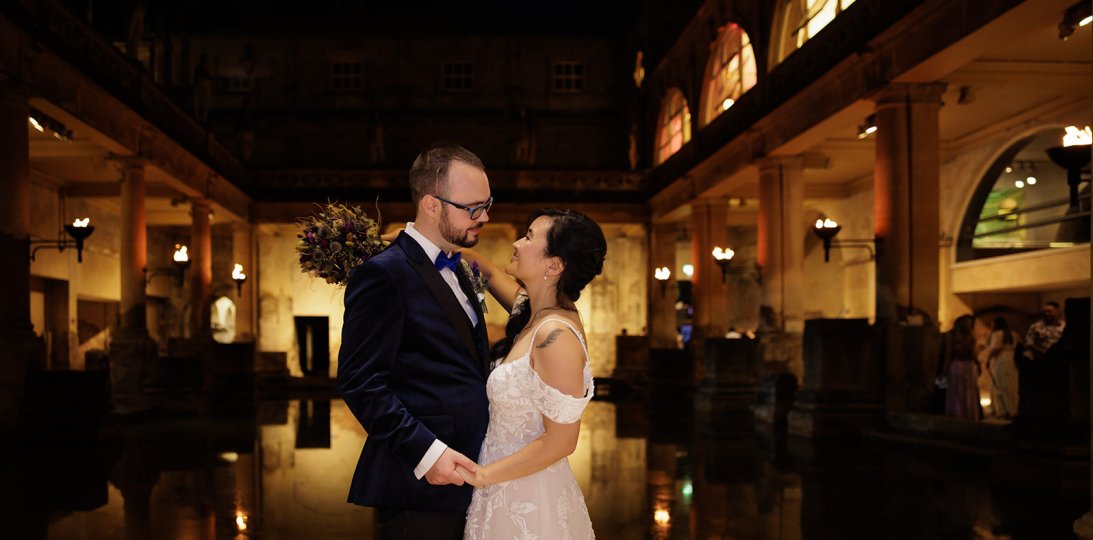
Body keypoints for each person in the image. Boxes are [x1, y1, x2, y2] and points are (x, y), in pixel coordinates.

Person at [337, 143, 494, 539]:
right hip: (418, 484)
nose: (485, 217)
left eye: (487, 204)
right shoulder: (384, 274)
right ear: (431, 205)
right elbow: (361, 381)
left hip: (469, 481)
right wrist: (429, 453)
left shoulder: (460, 269)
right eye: (472, 208)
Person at [457, 209, 606, 539]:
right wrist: (414, 243)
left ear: (553, 266)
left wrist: (483, 475)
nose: (516, 242)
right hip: (498, 487)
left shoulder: (556, 336)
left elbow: (562, 441)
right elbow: (488, 272)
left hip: (529, 497)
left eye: (528, 236)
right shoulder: (533, 313)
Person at [942, 315, 980, 421]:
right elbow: (973, 354)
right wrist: (978, 365)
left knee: (958, 393)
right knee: (967, 393)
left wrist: (944, 371)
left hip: (959, 366)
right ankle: (968, 416)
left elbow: (948, 355)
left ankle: (958, 416)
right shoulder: (969, 336)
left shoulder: (952, 336)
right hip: (967, 366)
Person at [985, 316, 1019, 418]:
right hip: (1011, 359)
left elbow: (995, 348)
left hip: (1001, 360)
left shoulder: (997, 334)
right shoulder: (1013, 334)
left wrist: (988, 359)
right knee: (1012, 383)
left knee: (1001, 384)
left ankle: (1004, 410)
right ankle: (1013, 409)